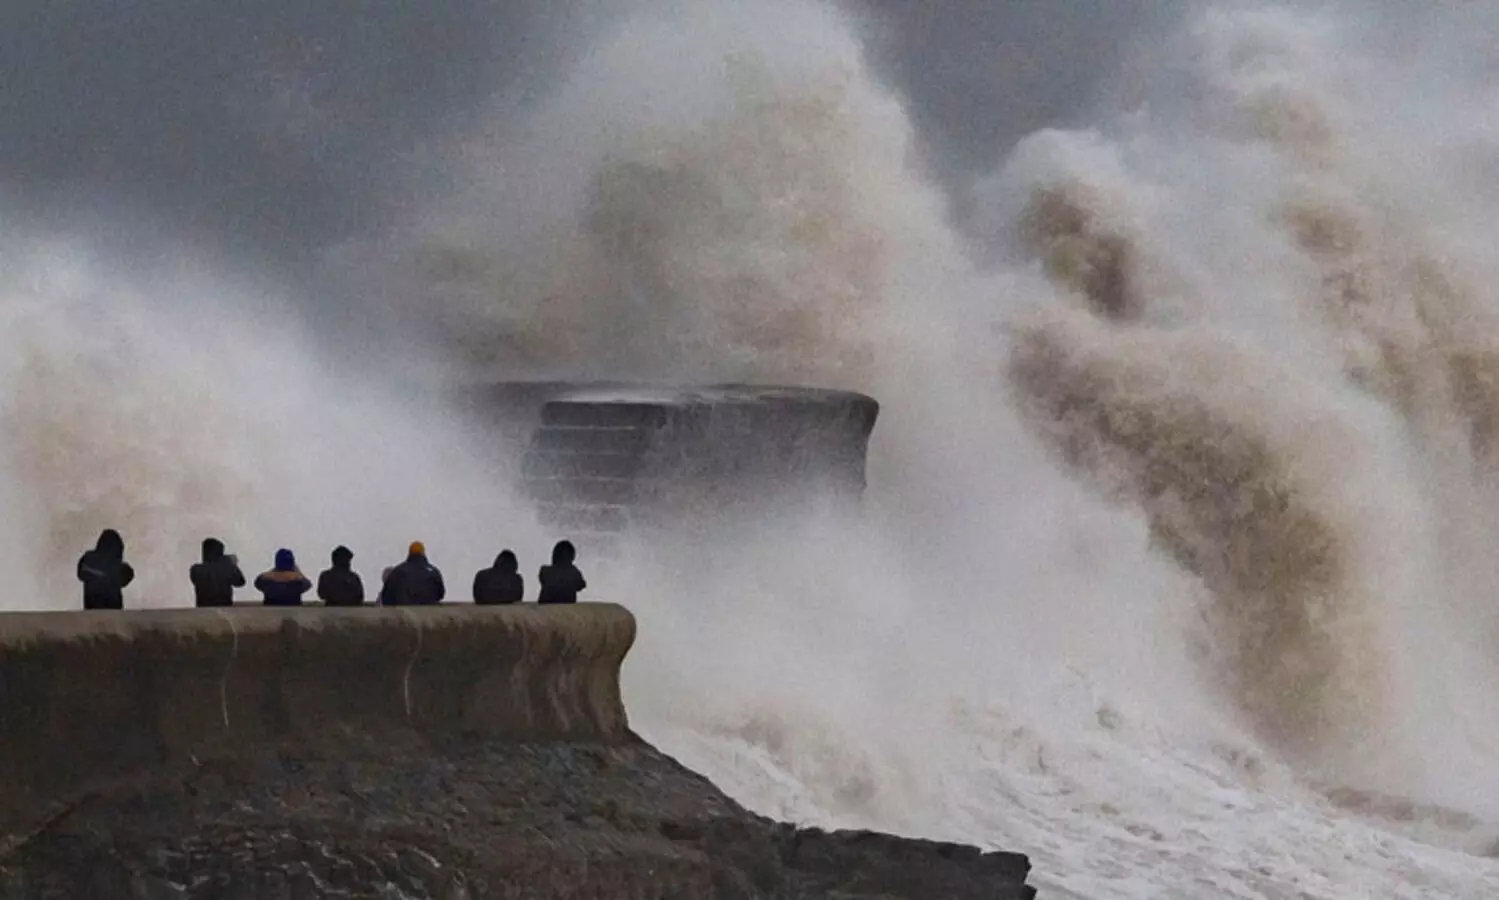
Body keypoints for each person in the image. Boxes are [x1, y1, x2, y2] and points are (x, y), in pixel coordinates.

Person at [76, 528, 135, 610]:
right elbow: (127, 577)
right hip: (113, 613)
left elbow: (80, 574)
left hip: (91, 612)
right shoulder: (119, 568)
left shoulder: (87, 560)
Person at [381, 541, 445, 606]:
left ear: (409, 553)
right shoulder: (433, 572)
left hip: (402, 611)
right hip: (429, 611)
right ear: (423, 553)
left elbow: (386, 597)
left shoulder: (398, 571)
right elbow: (441, 594)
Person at [189, 537, 246, 608]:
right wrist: (229, 562)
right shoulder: (228, 567)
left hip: (203, 610)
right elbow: (240, 582)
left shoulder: (196, 569)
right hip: (225, 609)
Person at [537, 539, 586, 604]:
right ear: (572, 557)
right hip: (567, 605)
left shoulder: (545, 570)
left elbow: (543, 580)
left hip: (546, 605)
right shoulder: (574, 572)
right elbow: (581, 585)